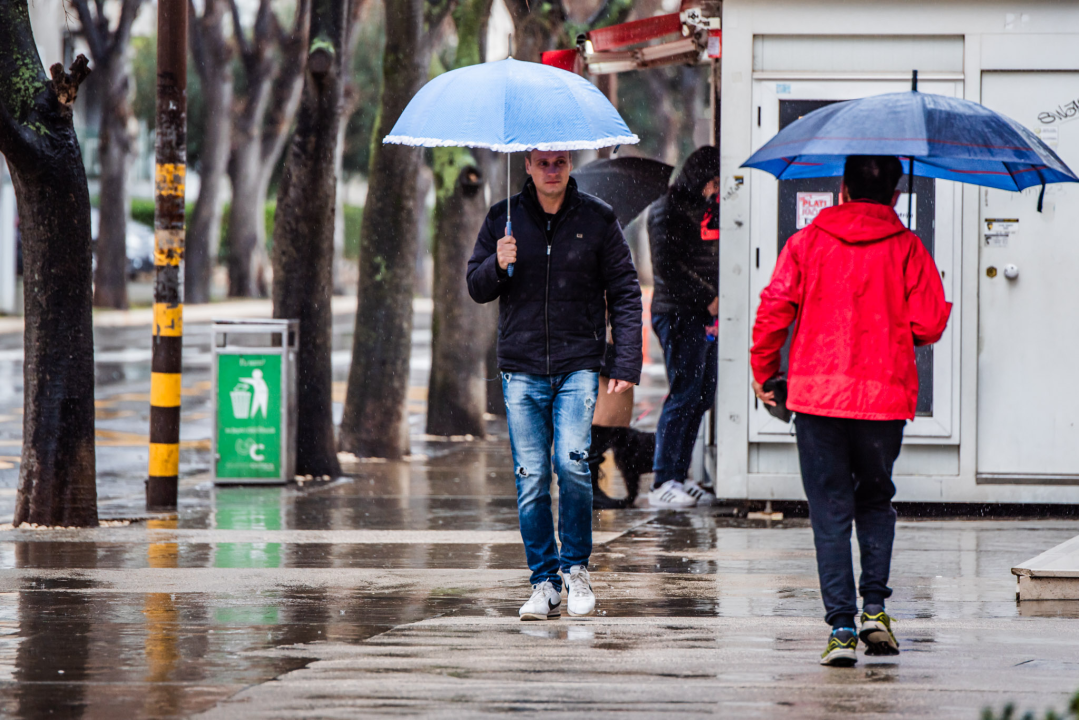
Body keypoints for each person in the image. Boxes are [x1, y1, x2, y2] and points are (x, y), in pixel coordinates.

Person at [751, 155, 951, 667]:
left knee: (830, 510)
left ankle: (840, 628)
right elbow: (929, 325)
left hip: (817, 399)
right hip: (884, 400)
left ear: (842, 189)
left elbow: (773, 311)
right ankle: (876, 609)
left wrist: (763, 371)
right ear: (896, 195)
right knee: (876, 500)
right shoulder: (908, 248)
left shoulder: (806, 243)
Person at [467, 149, 642, 621]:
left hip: (578, 365)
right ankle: (543, 581)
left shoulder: (598, 219)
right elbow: (475, 286)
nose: (551, 171)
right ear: (527, 164)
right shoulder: (501, 218)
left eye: (560, 162)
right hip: (521, 367)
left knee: (573, 464)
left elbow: (625, 290)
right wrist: (497, 265)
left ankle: (576, 570)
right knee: (531, 478)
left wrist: (626, 358)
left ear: (569, 166)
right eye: (542, 163)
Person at [646, 146, 721, 508]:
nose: (716, 188)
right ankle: (663, 480)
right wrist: (708, 298)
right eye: (713, 180)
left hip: (704, 314)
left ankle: (680, 475)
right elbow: (669, 268)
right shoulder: (665, 211)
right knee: (684, 392)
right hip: (677, 313)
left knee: (702, 394)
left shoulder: (706, 209)